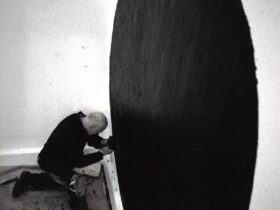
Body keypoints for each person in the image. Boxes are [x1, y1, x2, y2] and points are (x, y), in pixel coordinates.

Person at [12, 111, 114, 197]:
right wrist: (101, 153)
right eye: (99, 131)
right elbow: (78, 161)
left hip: (59, 155)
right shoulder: (73, 136)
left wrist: (102, 142)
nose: (98, 133)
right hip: (48, 160)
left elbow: (89, 136)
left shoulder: (79, 119)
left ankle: (55, 176)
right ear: (92, 126)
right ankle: (28, 179)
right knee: (68, 181)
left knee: (70, 172)